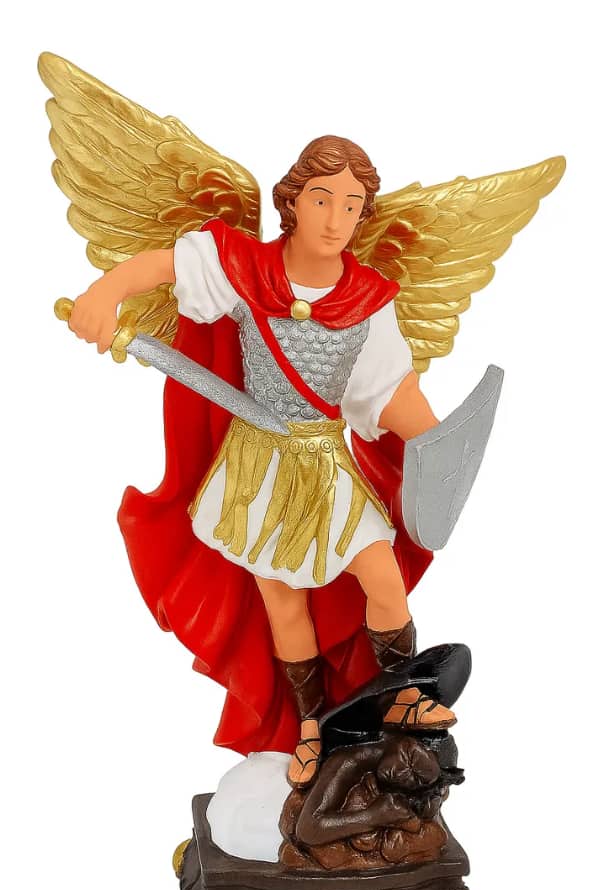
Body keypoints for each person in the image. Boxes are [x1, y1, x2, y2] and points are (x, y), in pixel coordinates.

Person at [67, 136, 456, 788]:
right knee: (284, 604)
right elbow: (162, 266)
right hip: (258, 468)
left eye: (352, 205)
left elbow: (388, 390)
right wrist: (105, 294)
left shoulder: (368, 297)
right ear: (293, 201)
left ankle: (399, 698)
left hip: (325, 460)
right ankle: (309, 728)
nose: (335, 219)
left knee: (382, 576)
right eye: (322, 199)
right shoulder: (244, 267)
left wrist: (442, 444)